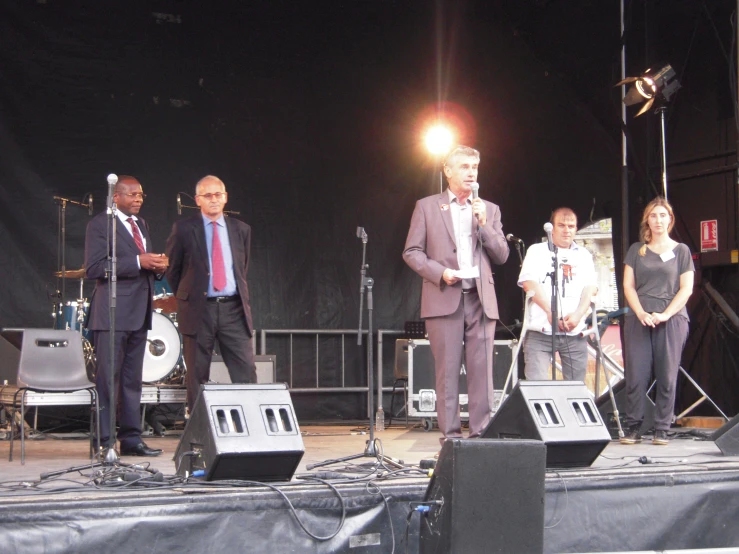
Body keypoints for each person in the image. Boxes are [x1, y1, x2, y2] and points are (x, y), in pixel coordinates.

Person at [403, 145, 509, 448]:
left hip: (480, 299)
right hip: (445, 296)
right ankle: (450, 439)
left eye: (474, 166)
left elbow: (501, 255)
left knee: (482, 375)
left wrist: (484, 224)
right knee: (447, 374)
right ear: (447, 171)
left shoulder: (489, 208)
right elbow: (412, 252)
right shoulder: (427, 206)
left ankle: (480, 438)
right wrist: (439, 273)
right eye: (463, 166)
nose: (471, 172)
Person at [85, 175, 167, 457]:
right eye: (132, 194)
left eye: (141, 194)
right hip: (112, 312)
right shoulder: (100, 225)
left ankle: (131, 439)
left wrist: (157, 266)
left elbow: (142, 263)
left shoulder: (140, 225)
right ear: (116, 197)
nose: (138, 199)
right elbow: (94, 267)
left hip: (139, 311)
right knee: (109, 379)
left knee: (133, 379)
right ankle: (105, 442)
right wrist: (137, 261)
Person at [166, 175, 257, 413]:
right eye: (208, 195)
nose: (214, 199)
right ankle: (199, 430)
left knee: (245, 369)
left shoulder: (241, 229)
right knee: (197, 374)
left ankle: (249, 426)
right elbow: (173, 271)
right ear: (198, 200)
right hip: (199, 310)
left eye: (218, 194)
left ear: (225, 198)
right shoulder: (184, 229)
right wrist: (190, 298)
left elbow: (241, 268)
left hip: (233, 309)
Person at [621, 197, 694, 446]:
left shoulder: (681, 251)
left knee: (667, 373)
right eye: (654, 215)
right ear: (647, 221)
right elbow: (628, 286)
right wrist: (641, 313)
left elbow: (686, 289)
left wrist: (665, 314)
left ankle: (662, 427)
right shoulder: (636, 250)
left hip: (671, 318)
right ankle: (633, 427)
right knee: (636, 374)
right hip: (639, 318)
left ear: (670, 219)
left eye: (663, 215)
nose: (658, 220)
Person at [517, 207, 598, 381]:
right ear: (551, 228)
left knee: (576, 391)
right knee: (537, 390)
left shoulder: (584, 255)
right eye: (561, 225)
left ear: (576, 229)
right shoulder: (537, 250)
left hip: (574, 332)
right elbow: (529, 283)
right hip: (540, 331)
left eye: (571, 226)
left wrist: (577, 315)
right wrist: (550, 311)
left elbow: (590, 289)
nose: (566, 230)